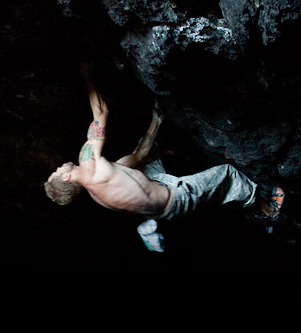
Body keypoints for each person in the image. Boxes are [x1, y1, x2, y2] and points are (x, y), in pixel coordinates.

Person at [44, 62, 285, 223]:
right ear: (66, 178)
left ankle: (162, 130)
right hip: (175, 197)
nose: (58, 167)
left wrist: (155, 120)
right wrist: (86, 75)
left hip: (161, 209)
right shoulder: (89, 164)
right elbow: (101, 111)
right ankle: (267, 209)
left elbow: (137, 158)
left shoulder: (98, 195)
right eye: (56, 172)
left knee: (143, 158)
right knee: (228, 174)